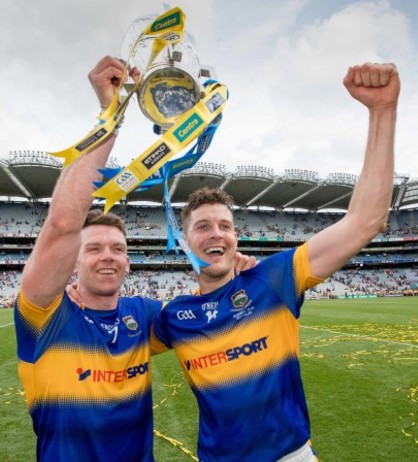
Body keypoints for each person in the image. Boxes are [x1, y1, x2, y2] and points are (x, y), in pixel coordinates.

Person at [151, 62, 400, 461]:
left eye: (224, 226)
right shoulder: (173, 318)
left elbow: (364, 222)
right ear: (185, 241)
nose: (215, 234)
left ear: (235, 238)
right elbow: (103, 335)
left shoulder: (275, 279)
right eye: (202, 227)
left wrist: (382, 111)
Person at [14, 56, 162, 461]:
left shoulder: (144, 316)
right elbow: (63, 222)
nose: (108, 257)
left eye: (118, 249)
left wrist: (234, 268)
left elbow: (213, 315)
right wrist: (110, 114)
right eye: (93, 248)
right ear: (73, 262)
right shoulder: (43, 317)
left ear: (129, 262)